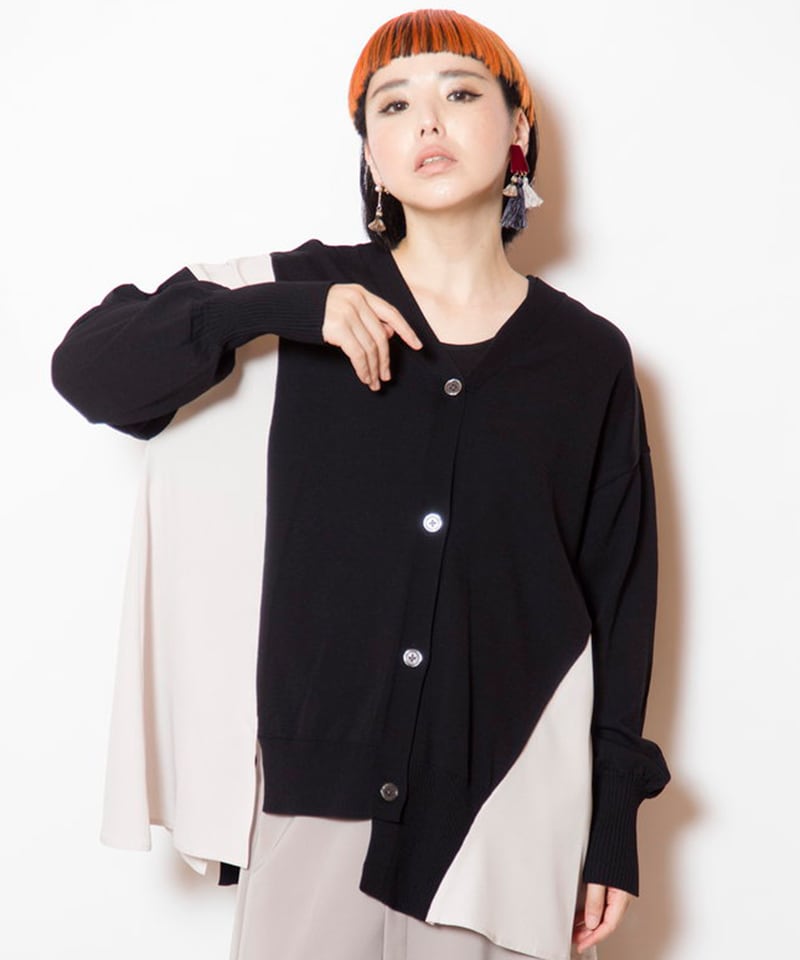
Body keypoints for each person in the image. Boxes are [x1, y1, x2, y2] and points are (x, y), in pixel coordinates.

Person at [51, 9, 671, 960]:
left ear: (517, 129)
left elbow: (619, 599)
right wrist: (288, 311)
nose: (429, 121)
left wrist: (613, 826)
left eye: (460, 93)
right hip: (311, 805)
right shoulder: (291, 293)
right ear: (371, 152)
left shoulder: (588, 358)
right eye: (394, 105)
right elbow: (90, 371)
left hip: (503, 816)